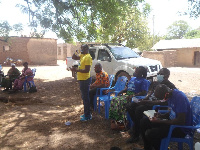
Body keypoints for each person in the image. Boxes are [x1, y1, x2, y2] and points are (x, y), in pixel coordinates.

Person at [132, 84, 192, 150]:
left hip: (180, 129)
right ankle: (147, 148)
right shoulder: (170, 94)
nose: (162, 100)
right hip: (173, 123)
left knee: (150, 133)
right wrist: (162, 115)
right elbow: (173, 111)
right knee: (144, 122)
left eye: (162, 98)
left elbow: (180, 121)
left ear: (166, 94)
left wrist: (159, 121)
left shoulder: (179, 97)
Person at [126, 68, 177, 143]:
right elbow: (150, 93)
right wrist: (144, 99)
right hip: (148, 101)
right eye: (158, 73)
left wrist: (147, 101)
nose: (159, 75)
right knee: (130, 106)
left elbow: (164, 102)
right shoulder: (156, 83)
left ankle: (136, 134)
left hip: (156, 106)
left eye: (161, 74)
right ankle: (138, 126)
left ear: (167, 76)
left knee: (139, 110)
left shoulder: (170, 86)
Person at [70, 44, 93, 121]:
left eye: (82, 48)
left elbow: (87, 70)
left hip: (85, 80)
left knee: (86, 98)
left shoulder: (88, 57)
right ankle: (86, 113)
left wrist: (76, 70)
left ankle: (88, 115)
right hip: (81, 79)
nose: (81, 50)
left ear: (86, 49)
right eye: (81, 48)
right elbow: (73, 57)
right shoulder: (82, 56)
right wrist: (77, 51)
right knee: (84, 97)